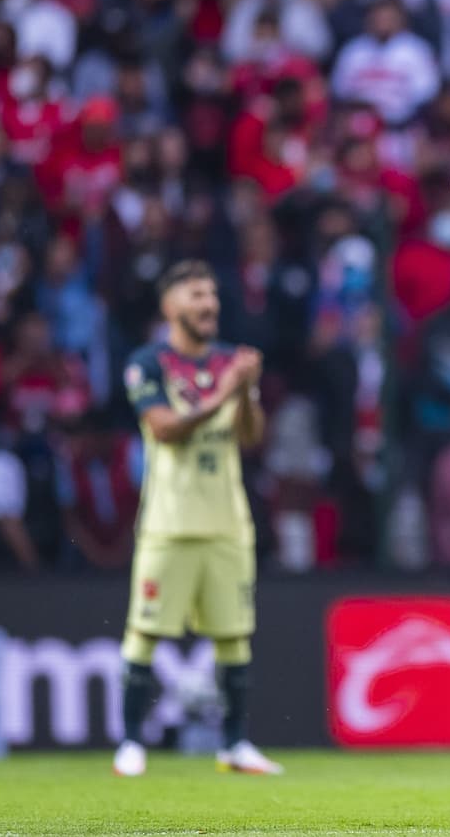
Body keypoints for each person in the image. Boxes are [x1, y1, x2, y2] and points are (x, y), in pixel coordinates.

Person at [113, 260, 282, 778]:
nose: (208, 304)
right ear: (170, 307)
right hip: (168, 522)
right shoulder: (147, 364)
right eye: (194, 295)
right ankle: (131, 744)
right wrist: (227, 388)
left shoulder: (230, 361)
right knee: (145, 631)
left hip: (227, 523)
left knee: (233, 635)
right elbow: (165, 430)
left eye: (211, 295)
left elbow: (251, 437)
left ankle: (233, 745)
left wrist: (247, 392)